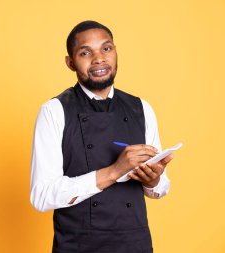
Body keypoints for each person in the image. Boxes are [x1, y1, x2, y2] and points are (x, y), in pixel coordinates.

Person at [30, 21, 174, 253]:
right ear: (70, 62)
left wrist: (153, 180)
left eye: (106, 49)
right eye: (86, 52)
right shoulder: (54, 111)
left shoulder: (141, 108)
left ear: (115, 51)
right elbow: (42, 196)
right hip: (79, 245)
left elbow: (160, 188)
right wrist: (115, 170)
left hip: (134, 243)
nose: (98, 59)